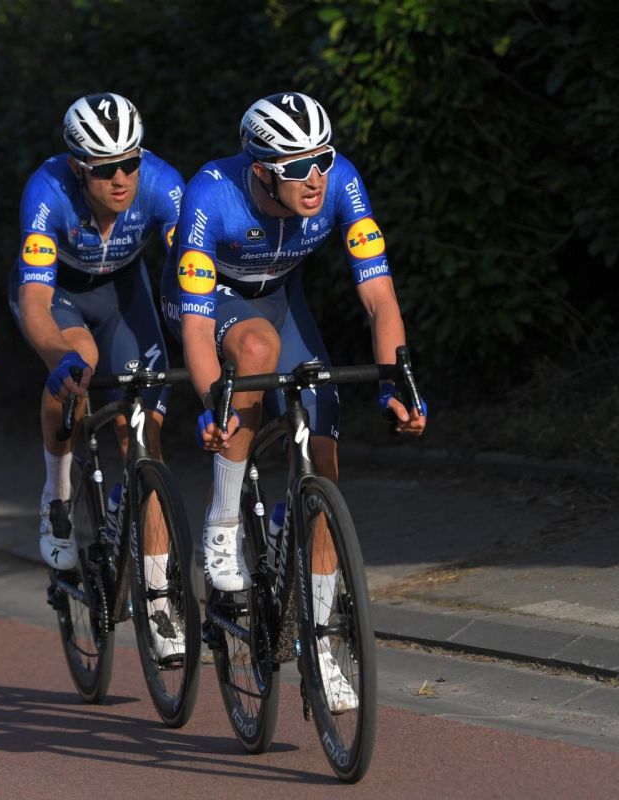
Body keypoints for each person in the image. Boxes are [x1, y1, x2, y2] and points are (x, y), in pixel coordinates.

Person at [160, 91, 427, 710]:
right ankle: (223, 522)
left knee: (323, 437)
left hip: (281, 297)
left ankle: (321, 644)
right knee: (255, 350)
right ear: (260, 170)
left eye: (322, 160)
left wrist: (396, 384)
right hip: (209, 301)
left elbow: (379, 298)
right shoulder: (211, 194)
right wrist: (214, 405)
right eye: (295, 167)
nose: (314, 179)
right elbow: (197, 331)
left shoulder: (342, 182)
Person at [9, 92, 186, 657]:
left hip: (122, 293)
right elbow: (34, 302)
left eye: (130, 163)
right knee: (79, 361)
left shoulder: (162, 184)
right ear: (77, 168)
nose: (121, 178)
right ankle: (57, 495)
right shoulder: (47, 191)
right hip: (58, 295)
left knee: (144, 437)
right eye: (106, 169)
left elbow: (191, 266)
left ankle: (159, 600)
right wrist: (55, 354)